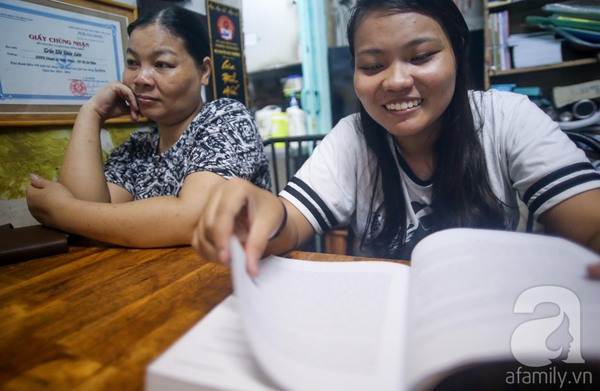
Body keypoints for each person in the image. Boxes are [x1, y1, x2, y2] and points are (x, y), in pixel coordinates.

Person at [192, 0, 600, 276]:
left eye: (421, 57)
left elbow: (589, 225)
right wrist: (260, 215)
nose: (397, 81)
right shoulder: (351, 138)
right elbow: (288, 224)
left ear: (457, 52)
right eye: (372, 65)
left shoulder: (506, 117)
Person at [26, 5, 270, 248]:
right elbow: (88, 219)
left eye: (162, 64)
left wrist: (61, 211)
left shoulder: (226, 120)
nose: (141, 78)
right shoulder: (137, 149)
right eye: (132, 63)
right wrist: (91, 114)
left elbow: (195, 218)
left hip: (233, 280)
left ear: (204, 71)